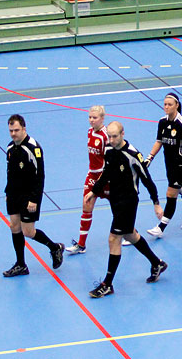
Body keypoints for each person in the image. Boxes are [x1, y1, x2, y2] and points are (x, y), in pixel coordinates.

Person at [87, 121, 167, 298]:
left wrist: (156, 202)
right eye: (110, 136)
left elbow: (147, 180)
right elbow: (106, 172)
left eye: (115, 136)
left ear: (123, 134)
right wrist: (94, 191)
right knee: (130, 234)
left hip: (128, 201)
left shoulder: (132, 154)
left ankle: (107, 284)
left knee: (113, 238)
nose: (112, 140)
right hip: (115, 200)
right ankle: (157, 263)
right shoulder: (108, 149)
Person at [3, 114, 64, 277]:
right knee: (14, 226)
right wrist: (7, 192)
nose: (13, 134)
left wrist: (34, 199)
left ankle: (54, 247)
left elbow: (40, 176)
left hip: (29, 196)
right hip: (14, 194)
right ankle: (21, 264)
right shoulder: (10, 148)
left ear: (24, 128)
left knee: (28, 231)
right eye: (10, 131)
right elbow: (10, 172)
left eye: (16, 130)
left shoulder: (33, 148)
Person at [146, 93, 182, 238]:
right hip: (169, 163)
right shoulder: (162, 122)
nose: (166, 107)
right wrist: (150, 157)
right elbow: (159, 141)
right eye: (165, 104)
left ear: (177, 105)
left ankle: (161, 227)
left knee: (171, 194)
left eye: (170, 104)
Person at [66, 106, 109, 255]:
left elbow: (108, 161)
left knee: (118, 207)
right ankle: (81, 245)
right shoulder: (90, 132)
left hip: (105, 178)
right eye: (90, 117)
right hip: (92, 175)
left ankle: (131, 233)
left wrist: (103, 179)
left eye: (94, 117)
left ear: (102, 118)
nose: (91, 120)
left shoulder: (106, 136)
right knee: (86, 206)